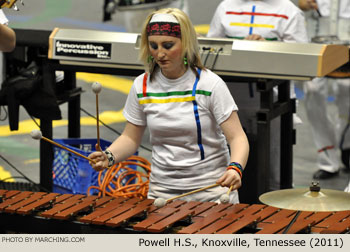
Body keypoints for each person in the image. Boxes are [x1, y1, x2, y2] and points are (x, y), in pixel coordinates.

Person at [89, 8, 249, 204]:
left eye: (168, 45)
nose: (160, 53)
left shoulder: (210, 85)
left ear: (186, 43)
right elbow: (130, 137)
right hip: (162, 194)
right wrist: (109, 157)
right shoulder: (142, 85)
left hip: (212, 192)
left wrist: (235, 168)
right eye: (153, 46)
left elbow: (237, 137)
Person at [207, 0, 308, 190]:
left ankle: (277, 212)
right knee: (226, 164)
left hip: (274, 99)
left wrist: (268, 48)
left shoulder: (288, 10)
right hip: (230, 99)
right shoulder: (226, 7)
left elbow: (300, 56)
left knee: (274, 168)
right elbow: (211, 49)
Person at [298, 0, 350, 180]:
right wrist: (304, 4)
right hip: (316, 41)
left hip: (347, 42)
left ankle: (347, 144)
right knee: (312, 93)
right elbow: (302, 3)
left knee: (346, 94)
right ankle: (327, 158)